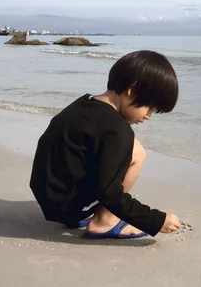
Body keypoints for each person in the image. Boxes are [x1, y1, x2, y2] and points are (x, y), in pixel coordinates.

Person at [29, 50, 181, 239]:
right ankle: (104, 221)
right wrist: (156, 220)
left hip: (48, 194)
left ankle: (83, 212)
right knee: (137, 153)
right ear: (132, 90)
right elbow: (110, 193)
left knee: (125, 148)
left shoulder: (85, 103)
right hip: (66, 206)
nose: (148, 116)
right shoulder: (116, 130)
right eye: (149, 108)